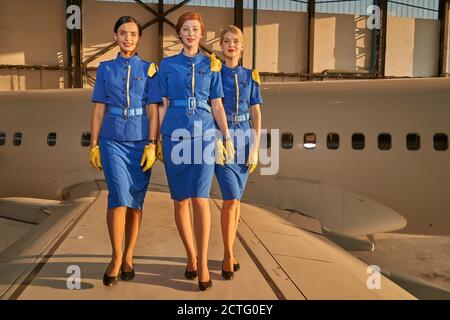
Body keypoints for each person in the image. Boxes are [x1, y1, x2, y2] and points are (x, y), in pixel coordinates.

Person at [156, 12, 235, 291]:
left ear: (202, 34)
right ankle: (190, 255)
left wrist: (226, 138)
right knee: (180, 200)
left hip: (204, 136)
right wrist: (156, 141)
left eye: (196, 29)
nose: (191, 33)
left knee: (201, 199)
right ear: (178, 34)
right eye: (186, 29)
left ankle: (202, 264)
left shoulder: (211, 66)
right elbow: (162, 105)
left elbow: (217, 105)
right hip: (175, 135)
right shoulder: (166, 66)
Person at [89, 16, 161, 287]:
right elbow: (98, 109)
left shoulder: (149, 69)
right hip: (112, 140)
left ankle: (129, 254)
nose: (128, 38)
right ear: (115, 36)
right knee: (118, 198)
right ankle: (116, 257)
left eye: (132, 33)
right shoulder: (105, 69)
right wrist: (95, 144)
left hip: (140, 141)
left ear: (139, 37)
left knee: (135, 203)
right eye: (122, 33)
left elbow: (154, 111)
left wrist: (152, 144)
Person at [214, 25, 263, 280]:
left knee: (237, 202)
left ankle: (230, 251)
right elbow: (213, 107)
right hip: (224, 140)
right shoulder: (214, 74)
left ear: (242, 47)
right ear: (221, 46)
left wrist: (255, 148)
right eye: (226, 41)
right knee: (230, 199)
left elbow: (256, 113)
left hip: (245, 140)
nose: (231, 45)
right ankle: (227, 254)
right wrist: (220, 139)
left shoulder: (251, 76)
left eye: (235, 42)